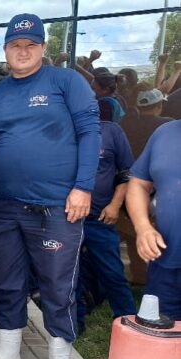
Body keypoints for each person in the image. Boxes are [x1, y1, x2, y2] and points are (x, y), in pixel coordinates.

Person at [0, 14, 101, 359]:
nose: (23, 51)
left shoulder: (66, 81)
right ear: (6, 49)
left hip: (57, 206)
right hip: (0, 204)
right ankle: (9, 352)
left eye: (30, 45)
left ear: (43, 48)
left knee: (58, 288)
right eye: (16, 45)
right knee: (8, 283)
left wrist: (84, 187)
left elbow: (90, 132)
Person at [75, 115, 136, 334]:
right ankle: (75, 321)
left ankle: (127, 321)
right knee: (71, 273)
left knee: (112, 271)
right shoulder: (62, 128)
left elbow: (127, 173)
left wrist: (115, 204)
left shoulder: (111, 131)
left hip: (100, 217)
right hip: (68, 218)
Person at [127, 120, 181, 320]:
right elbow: (139, 184)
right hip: (164, 263)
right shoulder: (164, 133)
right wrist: (142, 227)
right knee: (158, 339)